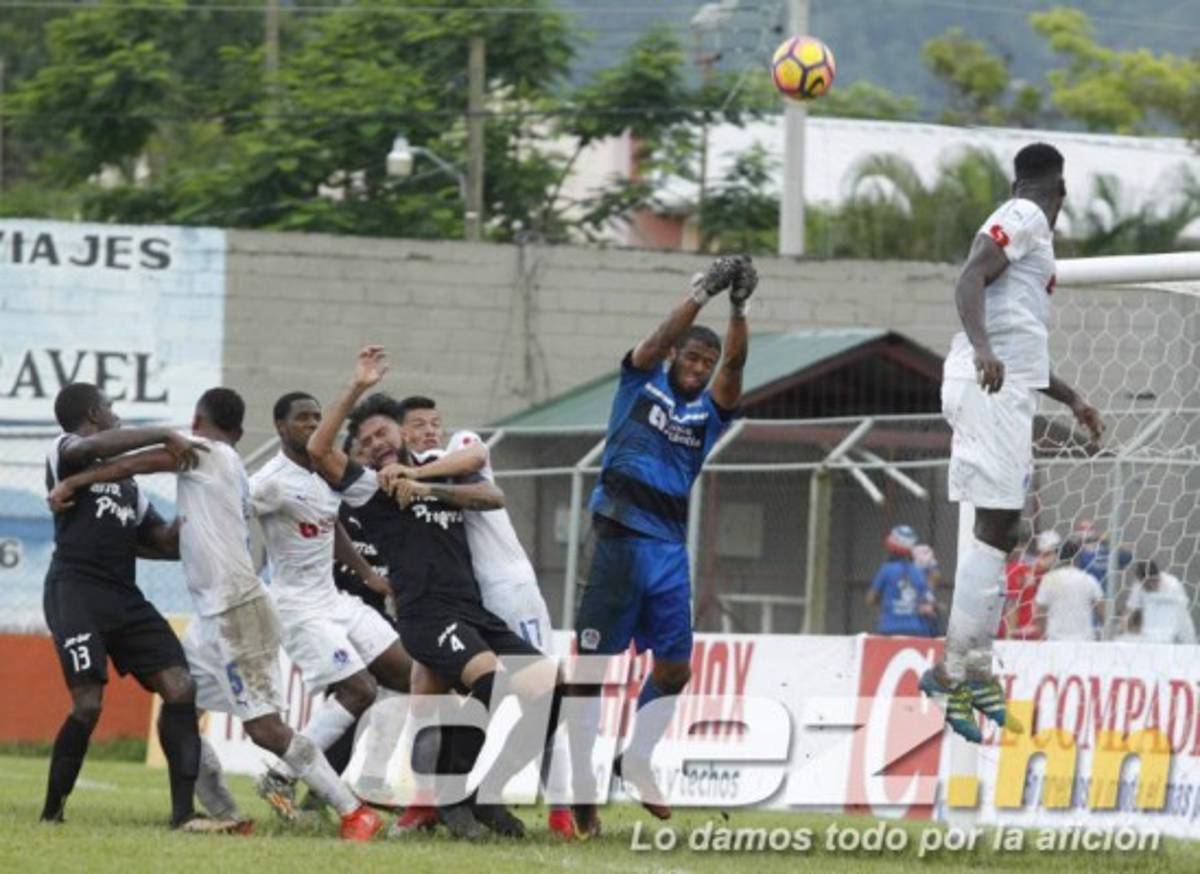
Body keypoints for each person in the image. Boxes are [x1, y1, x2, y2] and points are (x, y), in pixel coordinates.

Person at [47, 388, 383, 841]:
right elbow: (164, 538)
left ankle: (353, 811)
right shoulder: (223, 466)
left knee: (265, 728)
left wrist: (75, 482)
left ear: (195, 421)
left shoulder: (207, 451)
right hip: (212, 614)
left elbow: (134, 463)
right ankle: (219, 811)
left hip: (238, 607)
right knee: (177, 702)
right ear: (241, 432)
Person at [307, 349, 563, 841]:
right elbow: (320, 451)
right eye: (366, 441)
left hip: (471, 610)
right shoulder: (368, 489)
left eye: (383, 432)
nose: (377, 443)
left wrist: (423, 484)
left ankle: (481, 796)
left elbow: (492, 496)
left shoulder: (435, 467)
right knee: (489, 683)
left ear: (403, 433)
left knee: (551, 694)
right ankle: (451, 798)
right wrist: (356, 387)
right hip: (427, 616)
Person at [921, 142, 1105, 744]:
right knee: (998, 524)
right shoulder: (1024, 216)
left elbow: (1017, 342)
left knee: (1000, 529)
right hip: (985, 384)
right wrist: (980, 348)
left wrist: (1073, 398)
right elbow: (972, 272)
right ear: (1063, 190)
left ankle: (962, 670)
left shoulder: (1032, 239)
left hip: (1006, 386)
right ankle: (959, 669)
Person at [569, 254, 757, 835]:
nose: (700, 367)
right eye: (692, 357)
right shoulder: (640, 381)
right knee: (589, 674)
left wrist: (739, 308)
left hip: (667, 550)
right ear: (677, 357)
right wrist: (700, 293)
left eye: (707, 360)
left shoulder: (708, 412)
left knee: (675, 670)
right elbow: (654, 341)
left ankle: (637, 757)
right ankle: (581, 794)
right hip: (616, 541)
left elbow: (735, 368)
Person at [374, 396, 576, 840]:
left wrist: (419, 476)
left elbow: (481, 469)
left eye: (435, 423)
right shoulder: (390, 478)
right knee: (426, 695)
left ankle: (553, 805)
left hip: (509, 592)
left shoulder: (455, 450)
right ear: (402, 434)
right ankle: (429, 801)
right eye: (419, 425)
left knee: (545, 693)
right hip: (456, 602)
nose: (431, 430)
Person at [38, 382, 227, 831]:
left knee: (180, 687)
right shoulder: (65, 451)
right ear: (91, 413)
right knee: (87, 704)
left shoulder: (126, 484)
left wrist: (197, 511)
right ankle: (52, 812)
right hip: (75, 590)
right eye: (110, 407)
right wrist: (164, 431)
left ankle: (183, 816)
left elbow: (159, 541)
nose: (117, 415)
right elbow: (97, 448)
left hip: (123, 596)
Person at [249, 392, 414, 818]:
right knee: (359, 689)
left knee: (407, 674)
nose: (311, 425)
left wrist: (368, 574)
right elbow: (232, 517)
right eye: (302, 419)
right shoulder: (270, 482)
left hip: (334, 599)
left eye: (317, 418)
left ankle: (371, 781)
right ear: (281, 427)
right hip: (297, 607)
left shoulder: (326, 472)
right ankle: (282, 776)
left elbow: (330, 522)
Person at [867, 526, 937, 637]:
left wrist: (887, 601)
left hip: (889, 628)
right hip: (914, 629)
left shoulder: (886, 569)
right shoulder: (918, 572)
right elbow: (927, 599)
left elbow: (871, 599)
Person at [1033, 539, 1105, 641]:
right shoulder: (1089, 579)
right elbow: (1102, 612)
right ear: (1078, 557)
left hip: (1056, 640)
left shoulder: (1049, 579)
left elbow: (1040, 612)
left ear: (1058, 557)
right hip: (1084, 640)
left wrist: (1043, 634)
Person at [999, 529, 1059, 640]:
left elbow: (1044, 565)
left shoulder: (1023, 569)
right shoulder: (1015, 570)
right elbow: (1011, 605)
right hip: (1021, 633)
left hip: (1021, 632)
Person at [1125, 560, 1197, 644]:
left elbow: (1180, 609)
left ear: (1158, 576)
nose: (1151, 585)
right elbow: (1130, 610)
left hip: (1179, 624)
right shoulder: (1138, 587)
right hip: (1151, 630)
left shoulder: (1172, 584)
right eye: (1146, 584)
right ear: (1141, 580)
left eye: (1153, 581)